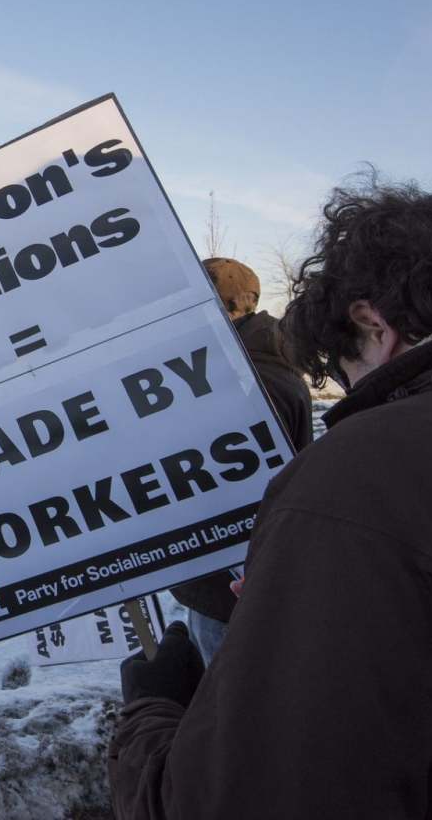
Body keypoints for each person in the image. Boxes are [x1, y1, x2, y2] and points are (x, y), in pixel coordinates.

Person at [109, 177, 432, 818]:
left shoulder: (379, 465)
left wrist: (150, 713)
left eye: (345, 368)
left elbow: (246, 796)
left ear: (371, 324)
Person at [169, 258, 312, 663]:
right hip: (236, 580)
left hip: (236, 587)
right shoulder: (256, 365)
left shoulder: (248, 379)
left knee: (232, 700)